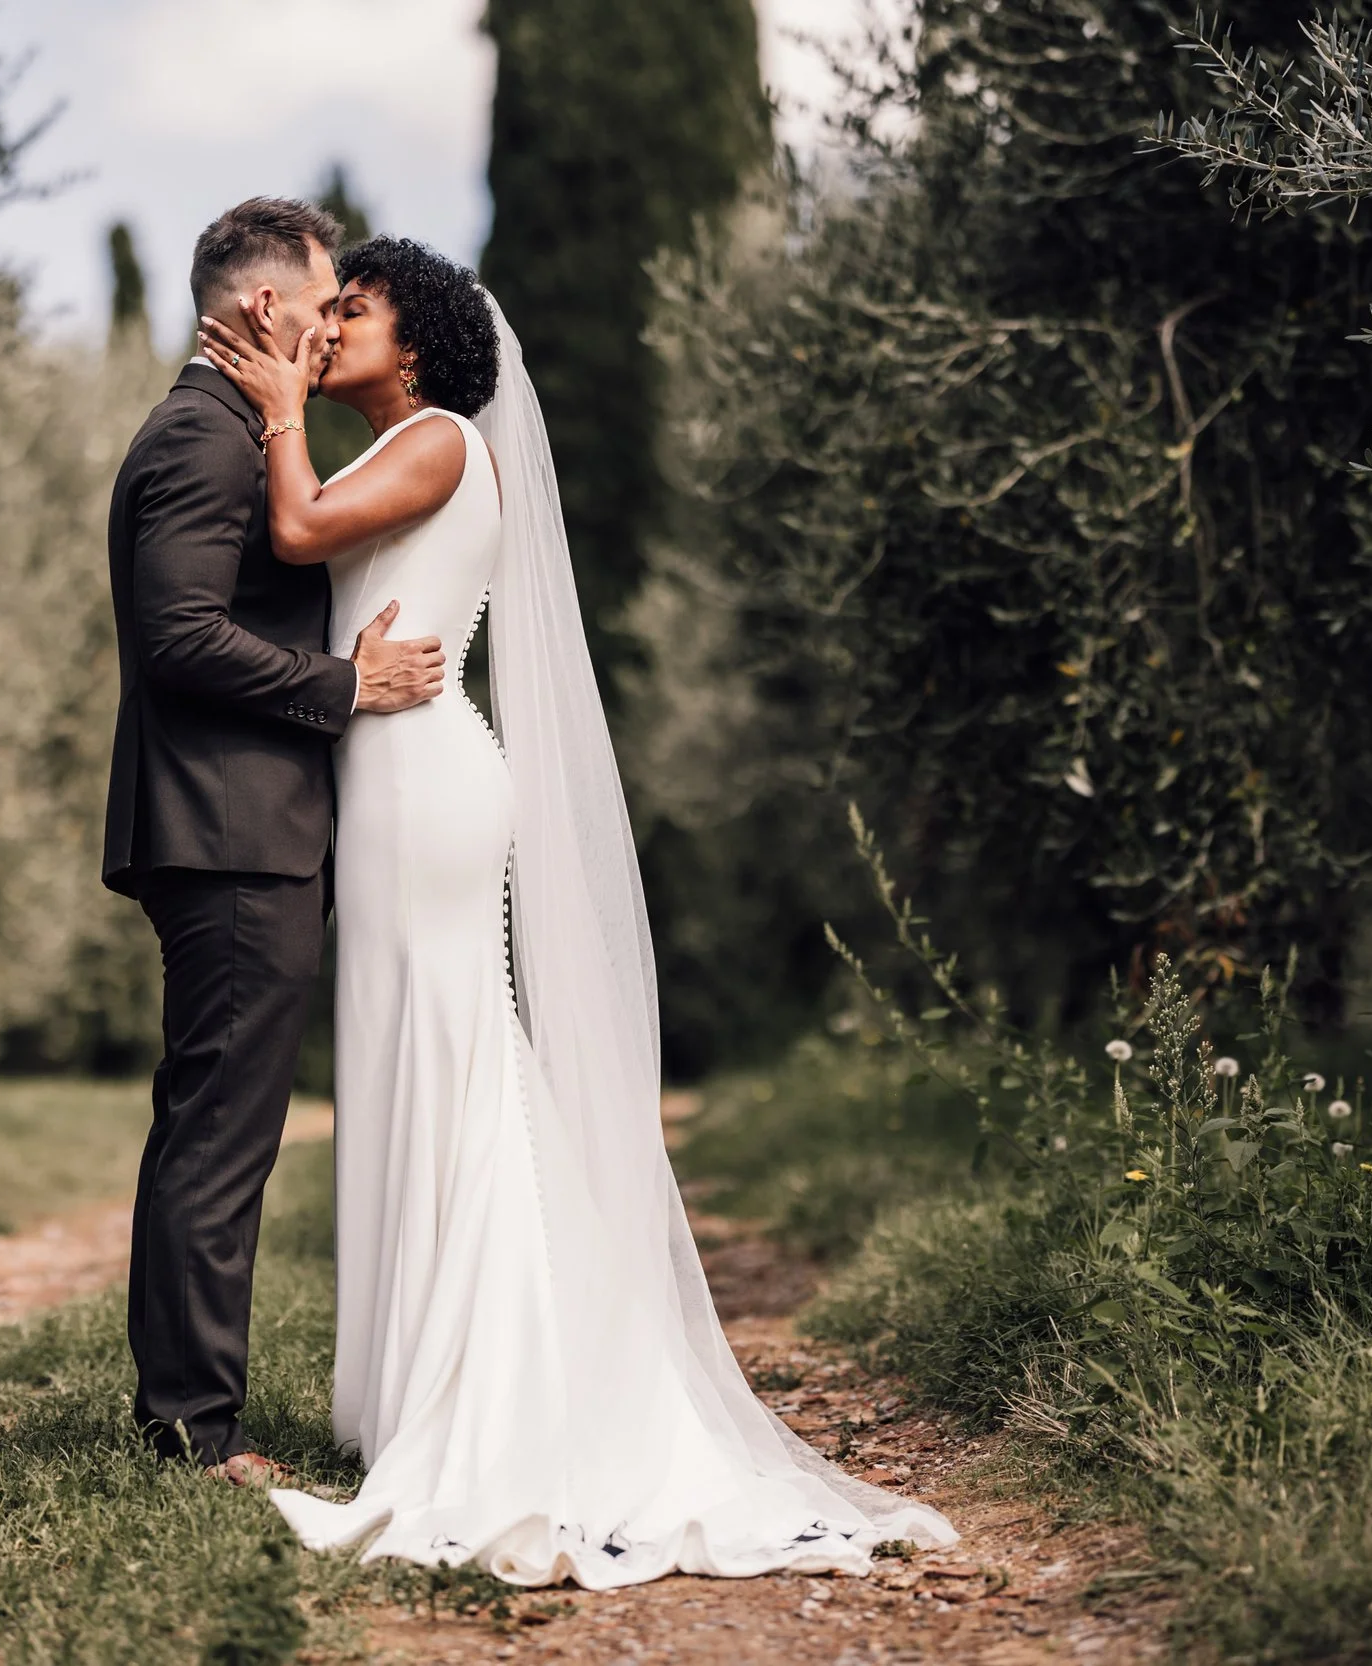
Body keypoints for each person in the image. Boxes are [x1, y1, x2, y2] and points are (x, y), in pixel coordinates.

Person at [194, 236, 959, 1585]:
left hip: (424, 783)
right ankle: (420, 1382)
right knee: (405, 1062)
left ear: (417, 341)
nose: (328, 331)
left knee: (455, 1058)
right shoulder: (400, 448)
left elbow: (298, 529)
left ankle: (495, 1390)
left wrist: (269, 409)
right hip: (380, 777)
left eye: (352, 312)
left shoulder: (438, 442)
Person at [101, 198, 445, 1482]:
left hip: (230, 826)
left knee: (208, 1121)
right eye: (325, 299)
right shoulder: (207, 439)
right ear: (266, 308)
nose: (332, 319)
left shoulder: (238, 433)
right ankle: (193, 1430)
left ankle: (179, 1411)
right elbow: (183, 635)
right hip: (230, 830)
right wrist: (344, 686)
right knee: (220, 1134)